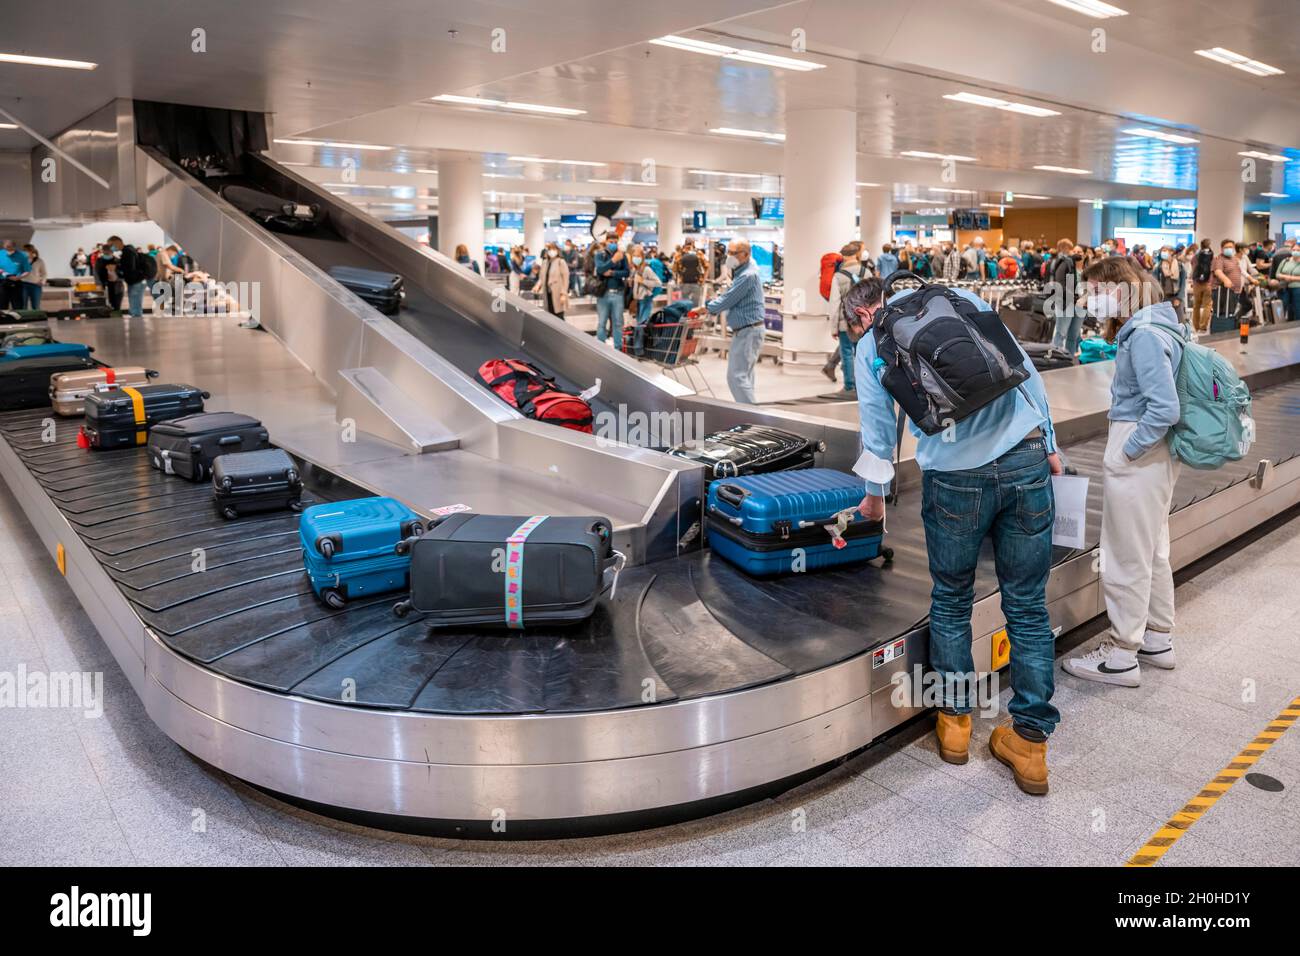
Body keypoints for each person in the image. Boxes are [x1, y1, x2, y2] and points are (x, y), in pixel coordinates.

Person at [845, 275, 1063, 794]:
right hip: (1025, 457)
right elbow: (1025, 371)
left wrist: (875, 495)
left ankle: (956, 724)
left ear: (860, 313)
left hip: (954, 477)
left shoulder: (871, 340)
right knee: (1028, 604)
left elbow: (877, 429)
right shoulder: (961, 299)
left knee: (951, 599)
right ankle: (1030, 745)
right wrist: (1049, 442)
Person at [1064, 258, 1187, 686]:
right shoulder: (1162, 324)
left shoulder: (1145, 335)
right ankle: (1156, 638)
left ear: (1120, 289)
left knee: (1124, 556)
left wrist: (1127, 452)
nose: (1089, 299)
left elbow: (1165, 409)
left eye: (1095, 289)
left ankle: (1121, 655)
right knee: (1152, 549)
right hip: (1157, 456)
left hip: (1141, 451)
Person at [696, 239, 765, 404]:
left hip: (748, 331)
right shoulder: (745, 268)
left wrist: (707, 308)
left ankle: (751, 415)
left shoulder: (748, 276)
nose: (729, 256)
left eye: (734, 253)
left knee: (736, 377)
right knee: (745, 375)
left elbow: (729, 298)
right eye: (729, 252)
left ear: (746, 255)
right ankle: (750, 413)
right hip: (748, 330)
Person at [822, 241, 873, 391]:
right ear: (856, 255)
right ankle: (863, 385)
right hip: (863, 322)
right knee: (862, 353)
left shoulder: (838, 276)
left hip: (845, 322)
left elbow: (834, 303)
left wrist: (833, 327)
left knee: (846, 353)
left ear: (843, 257)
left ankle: (850, 386)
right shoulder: (866, 273)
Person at [1047, 237, 1081, 355]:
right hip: (1066, 302)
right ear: (1067, 249)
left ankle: (1069, 359)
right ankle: (1055, 359)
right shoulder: (1065, 262)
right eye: (1074, 250)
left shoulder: (1076, 264)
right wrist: (1076, 297)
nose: (1076, 253)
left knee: (1073, 335)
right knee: (1061, 333)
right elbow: (1060, 284)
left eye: (1080, 252)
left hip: (1078, 303)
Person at [593, 235, 629, 345]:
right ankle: (601, 347)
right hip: (603, 293)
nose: (613, 243)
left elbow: (627, 272)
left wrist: (613, 273)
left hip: (618, 293)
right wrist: (613, 261)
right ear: (606, 241)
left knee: (618, 322)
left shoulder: (622, 256)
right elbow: (600, 270)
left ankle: (618, 348)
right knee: (602, 322)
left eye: (615, 241)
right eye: (610, 241)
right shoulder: (600, 255)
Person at [628, 244, 661, 355]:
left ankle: (639, 350)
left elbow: (658, 283)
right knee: (639, 325)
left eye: (637, 256)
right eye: (634, 256)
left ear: (642, 257)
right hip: (638, 301)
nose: (635, 258)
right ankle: (640, 349)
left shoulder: (646, 269)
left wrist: (643, 281)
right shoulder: (635, 270)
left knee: (641, 326)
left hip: (645, 300)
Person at [1210, 239, 1245, 327]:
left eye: (1230, 247)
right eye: (1226, 247)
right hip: (1222, 291)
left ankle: (1229, 328)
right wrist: (1226, 280)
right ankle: (1220, 330)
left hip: (1234, 291)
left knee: (1231, 312)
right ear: (1222, 249)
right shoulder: (1219, 259)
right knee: (1222, 314)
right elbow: (1218, 271)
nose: (1229, 249)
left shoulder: (1234, 259)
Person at [535, 242, 570, 321]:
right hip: (547, 293)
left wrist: (563, 294)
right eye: (550, 249)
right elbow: (542, 276)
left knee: (559, 315)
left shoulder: (561, 262)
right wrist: (538, 285)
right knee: (549, 315)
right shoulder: (545, 262)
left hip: (558, 293)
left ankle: (562, 332)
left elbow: (566, 279)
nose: (552, 251)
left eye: (554, 249)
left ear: (557, 250)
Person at [1188, 239, 1215, 333]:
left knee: (1196, 305)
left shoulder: (1196, 256)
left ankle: (1196, 326)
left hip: (1197, 283)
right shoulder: (1212, 256)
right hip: (1208, 283)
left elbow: (1192, 264)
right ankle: (1203, 326)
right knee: (1208, 305)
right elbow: (1213, 269)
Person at [1154, 245, 1185, 322]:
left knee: (1179, 320)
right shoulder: (1159, 266)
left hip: (1176, 297)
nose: (1163, 252)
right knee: (1164, 321)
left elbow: (1183, 283)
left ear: (1171, 252)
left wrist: (1179, 298)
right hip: (1164, 297)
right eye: (1162, 251)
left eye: (1165, 250)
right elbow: (1155, 281)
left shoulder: (1180, 265)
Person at [674, 239, 705, 307]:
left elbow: (675, 269)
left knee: (685, 302)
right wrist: (703, 279)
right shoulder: (699, 253)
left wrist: (677, 279)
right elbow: (707, 266)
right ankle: (694, 315)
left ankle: (686, 314)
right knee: (696, 304)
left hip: (684, 281)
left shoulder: (679, 254)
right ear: (693, 244)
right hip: (697, 281)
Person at [1276, 243, 1300, 321]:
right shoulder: (1285, 261)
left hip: (1297, 289)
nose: (1295, 251)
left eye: (1298, 250)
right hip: (1284, 288)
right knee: (1283, 308)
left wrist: (1291, 278)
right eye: (1294, 250)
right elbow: (1277, 274)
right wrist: (1285, 277)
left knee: (1297, 309)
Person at [19, 244, 46, 310]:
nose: (25, 252)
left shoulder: (39, 261)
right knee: (23, 306)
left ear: (32, 251)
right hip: (23, 284)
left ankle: (37, 319)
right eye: (24, 251)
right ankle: (24, 320)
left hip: (35, 285)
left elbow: (44, 273)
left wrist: (42, 281)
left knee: (36, 306)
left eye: (27, 250)